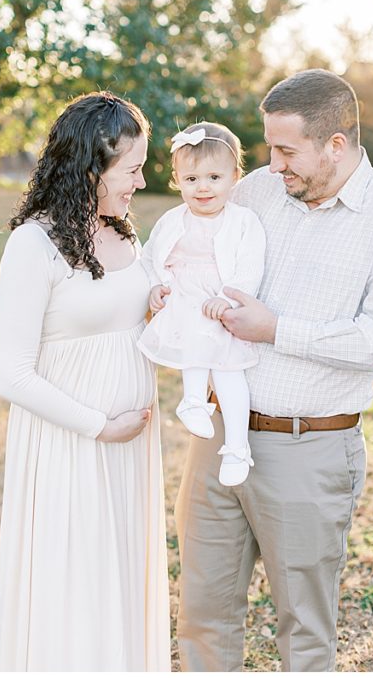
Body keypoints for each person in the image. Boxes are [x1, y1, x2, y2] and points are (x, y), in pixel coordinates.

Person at [174, 69, 373, 671]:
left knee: (303, 632)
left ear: (336, 145)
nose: (272, 164)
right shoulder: (261, 192)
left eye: (287, 150)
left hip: (310, 448)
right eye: (269, 146)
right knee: (202, 616)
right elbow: (197, 250)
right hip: (220, 434)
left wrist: (276, 329)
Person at [0, 91, 169, 670]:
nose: (141, 183)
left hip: (132, 450)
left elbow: (126, 324)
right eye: (133, 169)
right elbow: (11, 375)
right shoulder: (33, 245)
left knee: (120, 576)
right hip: (71, 446)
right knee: (76, 582)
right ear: (91, 166)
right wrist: (100, 426)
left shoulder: (126, 235)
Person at [139, 122, 265, 486]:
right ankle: (193, 401)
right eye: (191, 179)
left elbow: (251, 266)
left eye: (213, 177)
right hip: (185, 301)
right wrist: (155, 287)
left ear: (234, 177)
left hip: (220, 307)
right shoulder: (171, 220)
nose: (203, 187)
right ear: (177, 179)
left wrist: (227, 297)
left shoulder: (243, 221)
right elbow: (150, 259)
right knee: (194, 353)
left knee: (229, 373)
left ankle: (238, 448)